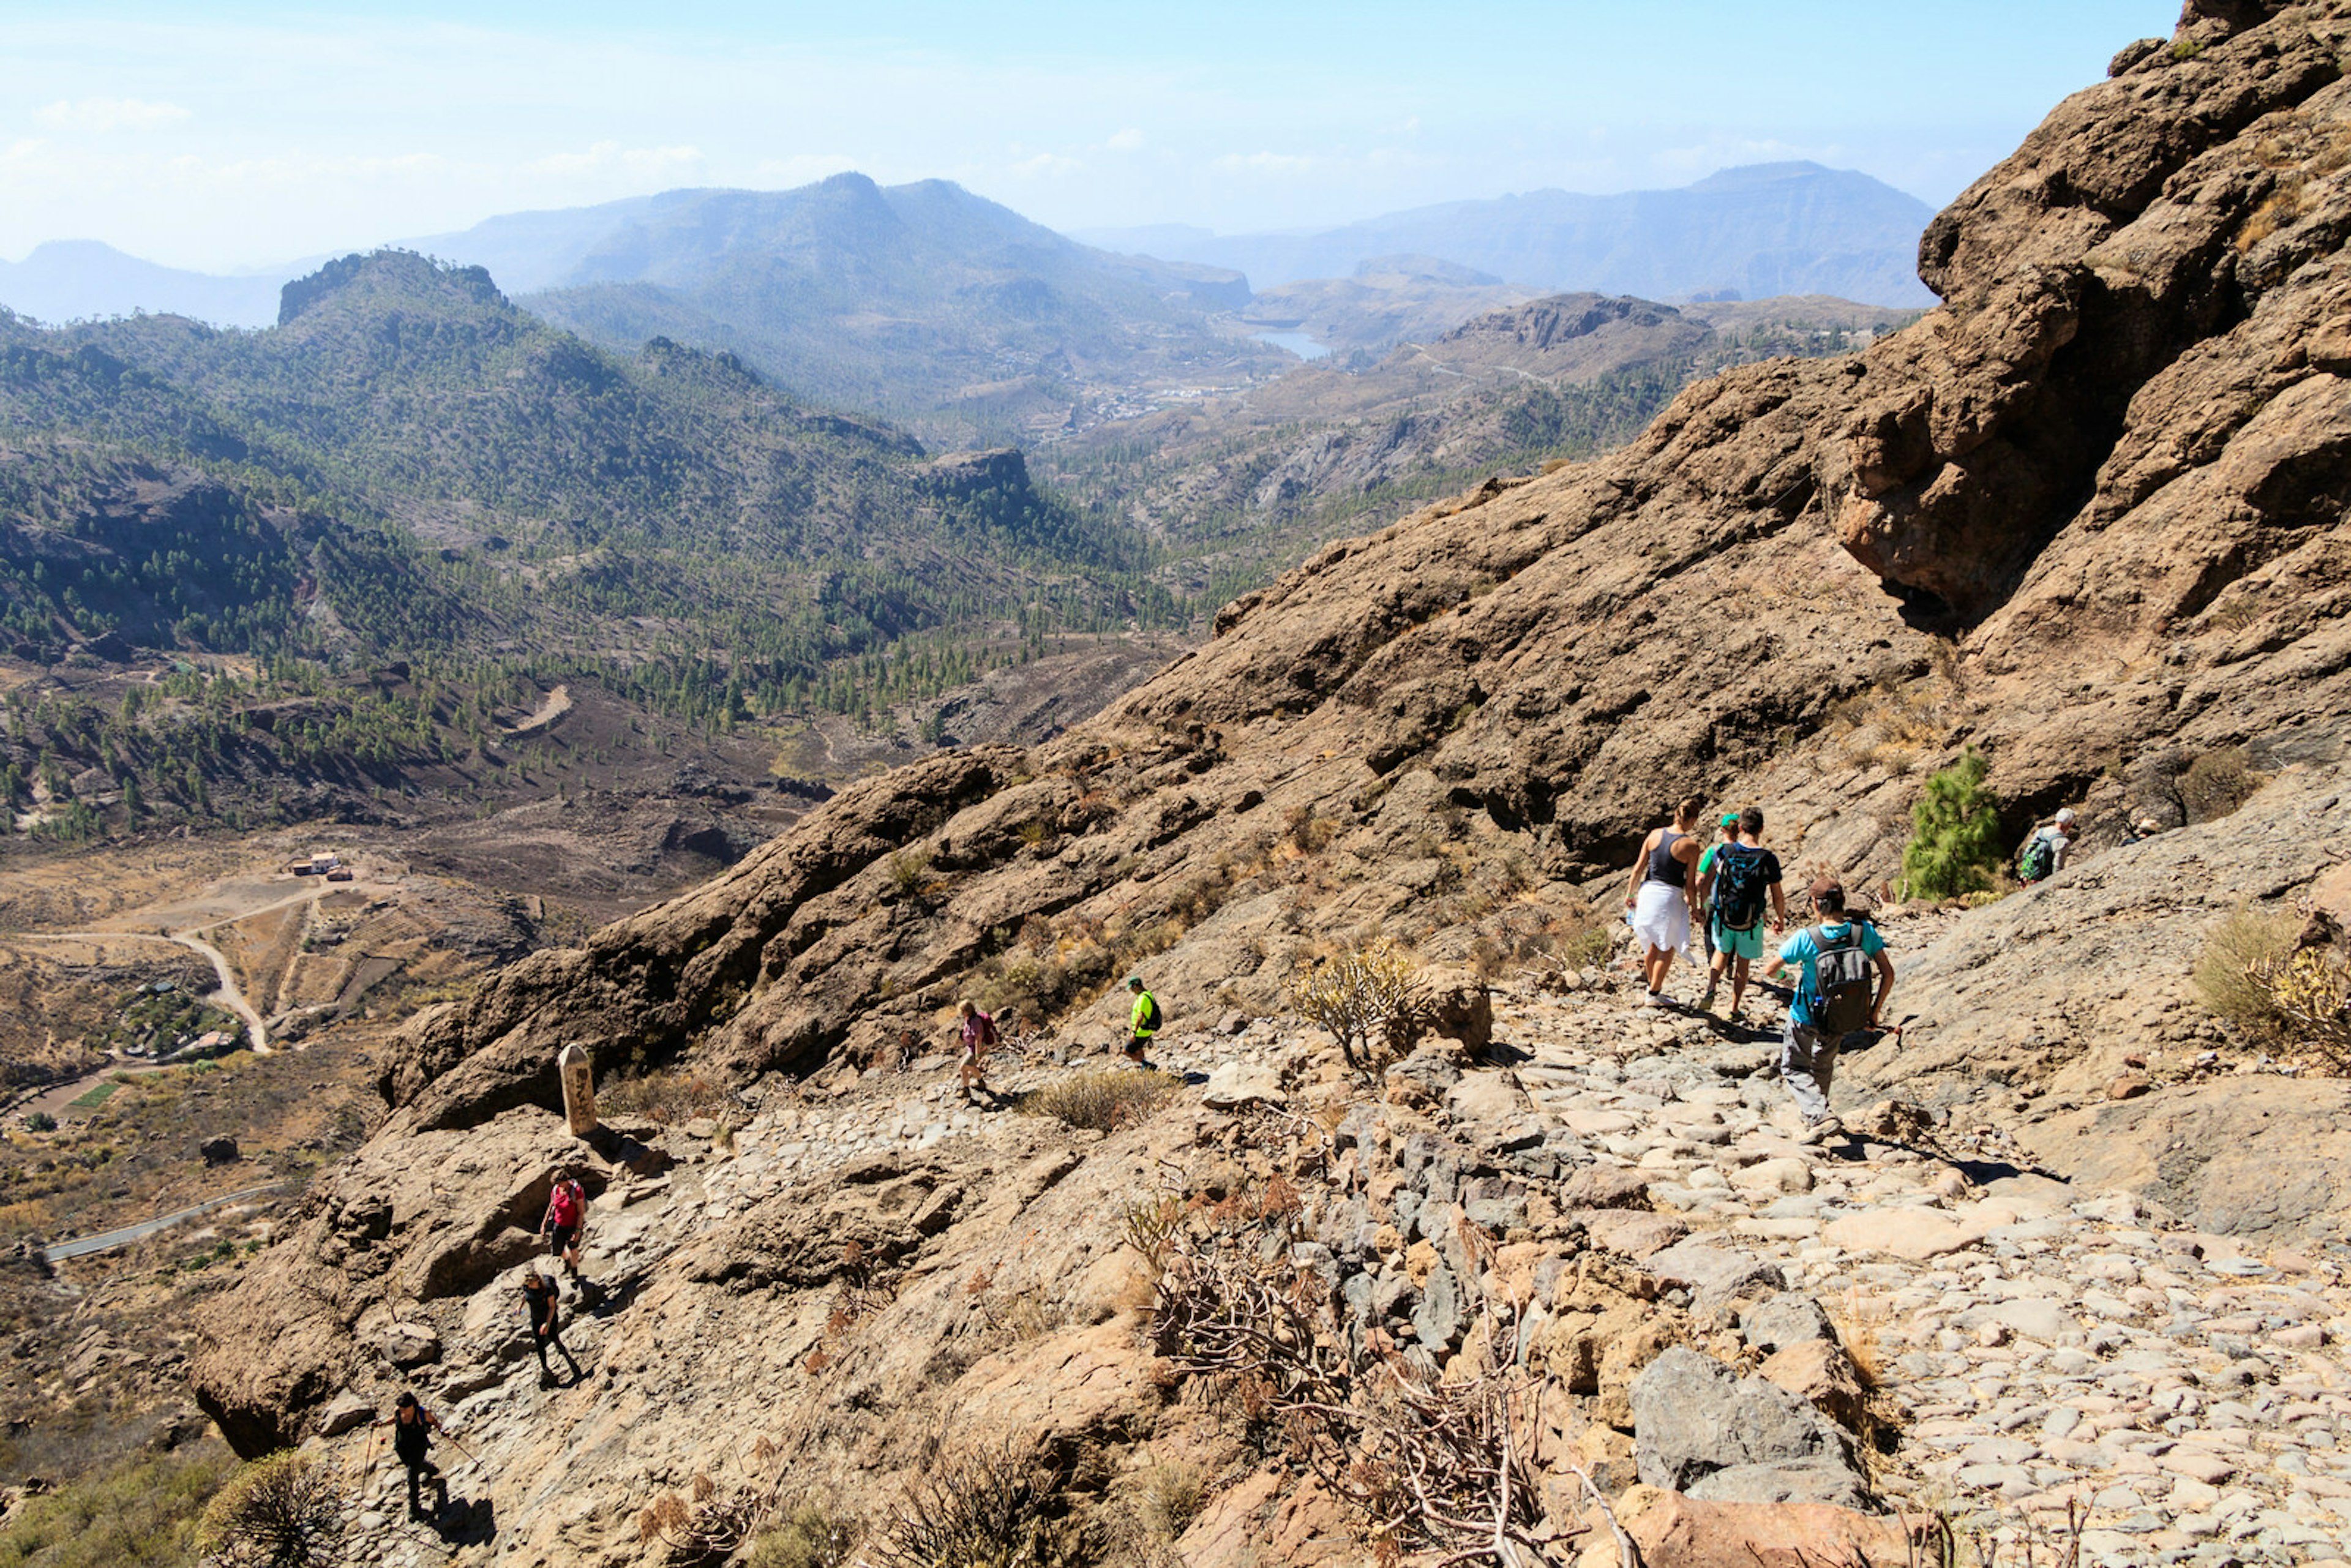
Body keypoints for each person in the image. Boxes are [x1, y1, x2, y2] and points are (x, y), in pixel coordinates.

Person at [1762, 879, 1895, 1144]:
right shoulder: (1863, 932)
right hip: (1842, 1015)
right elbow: (1888, 973)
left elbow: (1770, 969)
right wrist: (1874, 1011)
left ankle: (1820, 1116)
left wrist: (1788, 978)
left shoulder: (1806, 938)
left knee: (1793, 1067)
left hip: (1806, 1013)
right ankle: (1817, 1115)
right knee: (1823, 1065)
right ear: (1842, 902)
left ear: (1815, 904)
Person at [1700, 806, 1788, 1018]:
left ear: (1740, 828)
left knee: (1721, 953)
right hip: (1751, 921)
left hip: (1724, 915)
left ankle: (1711, 988)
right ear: (1762, 828)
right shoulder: (1768, 859)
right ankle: (1734, 1007)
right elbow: (1777, 894)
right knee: (1743, 963)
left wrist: (1701, 904)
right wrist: (1779, 917)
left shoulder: (1724, 851)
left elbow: (1709, 877)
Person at [1622, 795, 1705, 1007]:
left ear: (1676, 814)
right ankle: (1654, 992)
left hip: (1648, 892)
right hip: (1669, 896)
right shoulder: (1691, 846)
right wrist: (1695, 909)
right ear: (1693, 819)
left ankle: (1653, 989)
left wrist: (1631, 894)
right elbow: (1689, 885)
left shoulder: (1654, 835)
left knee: (1652, 945)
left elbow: (1638, 868)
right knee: (1667, 946)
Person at [378, 1390, 445, 1518]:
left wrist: (442, 1431)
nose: (402, 1410)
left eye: (404, 1408)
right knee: (411, 1465)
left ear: (412, 1405)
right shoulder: (398, 1411)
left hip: (418, 1448)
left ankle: (414, 1510)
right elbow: (394, 1418)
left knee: (412, 1478)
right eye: (401, 1408)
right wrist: (381, 1424)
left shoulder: (421, 1414)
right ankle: (430, 1469)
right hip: (402, 1447)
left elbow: (434, 1422)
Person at [522, 1267, 581, 1386]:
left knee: (553, 1336)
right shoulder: (527, 1287)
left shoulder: (547, 1290)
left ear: (538, 1281)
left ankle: (558, 1344)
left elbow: (552, 1307)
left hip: (549, 1317)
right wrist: (520, 1306)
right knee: (539, 1343)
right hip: (536, 1319)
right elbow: (525, 1296)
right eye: (529, 1284)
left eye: (532, 1283)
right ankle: (545, 1368)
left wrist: (547, 1324)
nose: (531, 1286)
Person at [1694, 812, 1740, 962]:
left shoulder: (1714, 852)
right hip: (1737, 900)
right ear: (1740, 829)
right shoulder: (1746, 851)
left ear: (1722, 830)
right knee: (1734, 931)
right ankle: (1729, 963)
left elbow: (1701, 880)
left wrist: (1701, 905)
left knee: (1709, 929)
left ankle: (1712, 963)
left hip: (1715, 898)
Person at [541, 1171, 587, 1286]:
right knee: (558, 1250)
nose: (558, 1186)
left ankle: (574, 1271)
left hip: (573, 1224)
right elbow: (552, 1205)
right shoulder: (556, 1190)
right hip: (559, 1224)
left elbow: (581, 1212)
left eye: (559, 1183)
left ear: (565, 1181)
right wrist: (544, 1223)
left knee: (573, 1248)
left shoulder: (576, 1191)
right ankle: (567, 1262)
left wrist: (578, 1231)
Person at [2016, 807, 2077, 885]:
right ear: (2069, 824)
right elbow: (2057, 868)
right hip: (2044, 881)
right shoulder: (2063, 843)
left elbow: (2028, 852)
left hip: (2031, 876)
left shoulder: (2041, 832)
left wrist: (2026, 874)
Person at [956, 999, 998, 1106]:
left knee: (963, 1067)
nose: (961, 1013)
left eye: (962, 1011)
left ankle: (970, 1088)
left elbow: (978, 1038)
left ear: (967, 1011)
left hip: (978, 1048)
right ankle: (978, 1084)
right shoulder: (969, 1019)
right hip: (972, 1048)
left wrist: (977, 1055)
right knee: (968, 1067)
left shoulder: (975, 1021)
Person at [1124, 975, 1160, 1068]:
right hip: (1147, 1029)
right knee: (1138, 1049)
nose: (1131, 990)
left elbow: (1141, 1016)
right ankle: (1145, 1068)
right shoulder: (1148, 994)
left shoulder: (1143, 998)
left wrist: (1134, 1032)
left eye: (1132, 988)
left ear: (1136, 986)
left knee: (1126, 1051)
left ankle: (1146, 1065)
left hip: (1141, 1031)